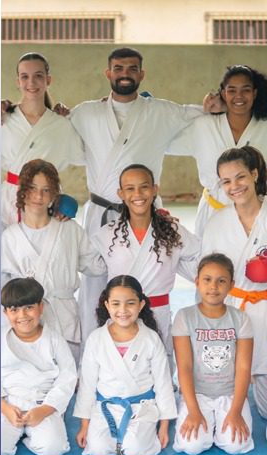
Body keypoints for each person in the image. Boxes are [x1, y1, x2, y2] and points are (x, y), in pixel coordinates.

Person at [69, 47, 208, 350]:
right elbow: (57, 128)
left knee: (149, 277)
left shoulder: (161, 111)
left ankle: (154, 355)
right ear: (108, 73)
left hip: (145, 210)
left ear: (141, 74)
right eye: (119, 68)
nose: (125, 74)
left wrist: (217, 103)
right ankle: (92, 358)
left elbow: (198, 114)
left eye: (132, 69)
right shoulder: (85, 113)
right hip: (101, 211)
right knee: (95, 287)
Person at [94, 163, 200, 363]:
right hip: (122, 315)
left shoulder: (172, 231)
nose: (138, 194)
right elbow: (87, 262)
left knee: (159, 366)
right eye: (130, 188)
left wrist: (176, 264)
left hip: (157, 312)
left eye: (144, 187)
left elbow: (199, 258)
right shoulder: (107, 234)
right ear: (121, 194)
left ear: (154, 190)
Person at [1, 159, 105, 362]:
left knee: (67, 381)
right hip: (25, 323)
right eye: (32, 188)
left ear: (54, 195)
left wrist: (120, 235)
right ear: (22, 191)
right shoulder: (10, 237)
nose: (38, 196)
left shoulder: (69, 230)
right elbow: (5, 286)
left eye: (46, 190)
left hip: (63, 317)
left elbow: (97, 265)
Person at [74, 276, 177, 455]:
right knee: (98, 450)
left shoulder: (150, 338)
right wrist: (85, 425)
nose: (122, 310)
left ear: (141, 304)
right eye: (115, 304)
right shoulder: (96, 338)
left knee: (135, 450)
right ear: (107, 305)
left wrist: (163, 426)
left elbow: (163, 384)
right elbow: (87, 385)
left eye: (130, 303)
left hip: (141, 407)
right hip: (106, 406)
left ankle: (141, 435)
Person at [202, 146, 267, 418]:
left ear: (254, 174)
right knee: (225, 393)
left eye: (240, 177)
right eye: (226, 181)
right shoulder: (217, 223)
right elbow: (207, 279)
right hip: (232, 312)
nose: (234, 186)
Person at [169, 65, 267, 237]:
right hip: (213, 213)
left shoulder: (264, 128)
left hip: (258, 214)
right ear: (222, 94)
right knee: (212, 263)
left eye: (246, 90)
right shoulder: (203, 126)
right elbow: (161, 141)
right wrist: (202, 110)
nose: (239, 96)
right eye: (232, 90)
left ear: (255, 93)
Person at [172, 253, 254, 455]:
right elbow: (185, 367)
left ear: (231, 285)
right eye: (207, 280)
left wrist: (235, 412)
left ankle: (220, 422)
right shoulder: (185, 316)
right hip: (197, 394)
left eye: (221, 281)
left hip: (230, 394)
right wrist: (193, 411)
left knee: (236, 446)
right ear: (197, 282)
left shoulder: (240, 319)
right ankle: (208, 422)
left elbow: (243, 368)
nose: (213, 287)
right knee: (193, 446)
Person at [0, 52, 83, 227]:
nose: (31, 83)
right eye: (24, 77)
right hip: (9, 199)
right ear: (18, 82)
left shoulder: (61, 124)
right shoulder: (3, 119)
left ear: (48, 80)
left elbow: (82, 155)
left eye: (38, 76)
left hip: (47, 199)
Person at [0, 278, 77, 455]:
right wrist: (4, 407)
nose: (23, 315)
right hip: (10, 406)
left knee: (53, 449)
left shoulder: (55, 340)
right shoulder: (1, 340)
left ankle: (29, 436)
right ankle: (18, 432)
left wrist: (45, 410)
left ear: (41, 307)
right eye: (14, 310)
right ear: (5, 312)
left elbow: (68, 378)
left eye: (29, 307)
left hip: (42, 405)